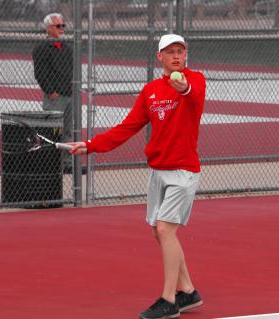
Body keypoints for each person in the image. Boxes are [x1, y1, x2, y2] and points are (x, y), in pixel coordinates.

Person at [69, 34, 206, 319]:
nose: (176, 56)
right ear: (160, 57)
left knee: (167, 230)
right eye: (170, 52)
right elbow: (127, 126)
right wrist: (91, 145)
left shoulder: (196, 80)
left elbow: (190, 91)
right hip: (158, 169)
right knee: (158, 231)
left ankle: (169, 301)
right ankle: (188, 291)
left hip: (183, 171)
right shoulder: (151, 91)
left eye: (180, 51)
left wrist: (182, 86)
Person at [32, 13, 73, 171]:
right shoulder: (42, 48)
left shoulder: (67, 48)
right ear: (48, 29)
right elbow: (40, 73)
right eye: (58, 26)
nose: (61, 29)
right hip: (56, 97)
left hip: (69, 95)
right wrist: (51, 91)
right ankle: (50, 164)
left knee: (69, 130)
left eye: (63, 26)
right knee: (52, 130)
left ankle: (67, 164)